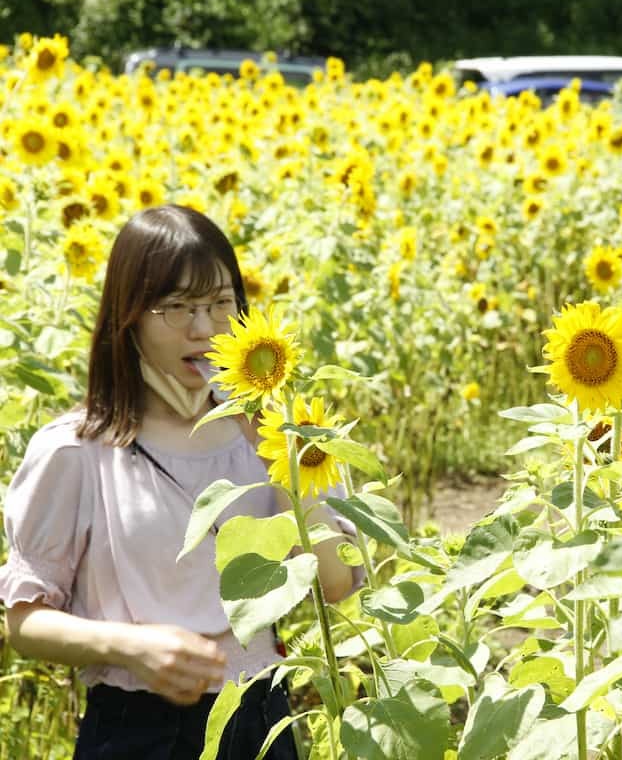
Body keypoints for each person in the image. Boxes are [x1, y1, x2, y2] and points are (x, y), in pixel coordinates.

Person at [0, 205, 360, 759]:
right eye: (177, 308)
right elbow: (24, 620)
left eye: (220, 303)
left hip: (260, 719)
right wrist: (131, 647)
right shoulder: (78, 451)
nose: (204, 328)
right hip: (136, 728)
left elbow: (336, 584)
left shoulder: (281, 434)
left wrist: (283, 457)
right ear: (130, 317)